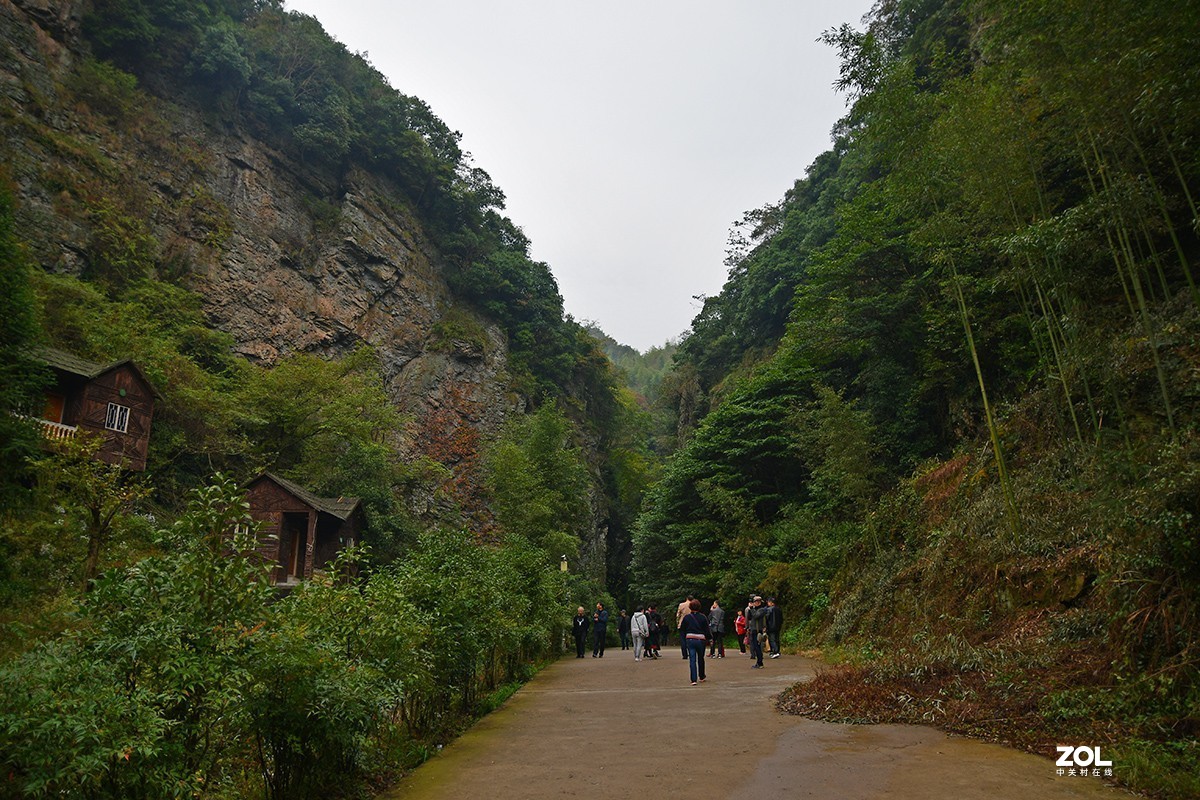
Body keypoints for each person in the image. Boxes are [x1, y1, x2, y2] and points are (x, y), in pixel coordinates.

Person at [679, 598, 711, 685]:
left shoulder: (687, 617)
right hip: (701, 639)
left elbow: (682, 629)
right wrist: (709, 638)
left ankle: (693, 679)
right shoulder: (703, 617)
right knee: (701, 658)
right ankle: (701, 676)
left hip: (690, 639)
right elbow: (707, 630)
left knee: (692, 659)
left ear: (690, 607)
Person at [746, 595, 767, 668]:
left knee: (758, 647)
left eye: (758, 602)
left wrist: (751, 608)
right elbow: (749, 617)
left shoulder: (762, 610)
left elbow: (756, 616)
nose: (756, 603)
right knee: (755, 646)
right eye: (755, 602)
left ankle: (760, 662)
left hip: (758, 630)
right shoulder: (754, 609)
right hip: (753, 630)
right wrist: (750, 609)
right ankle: (759, 662)